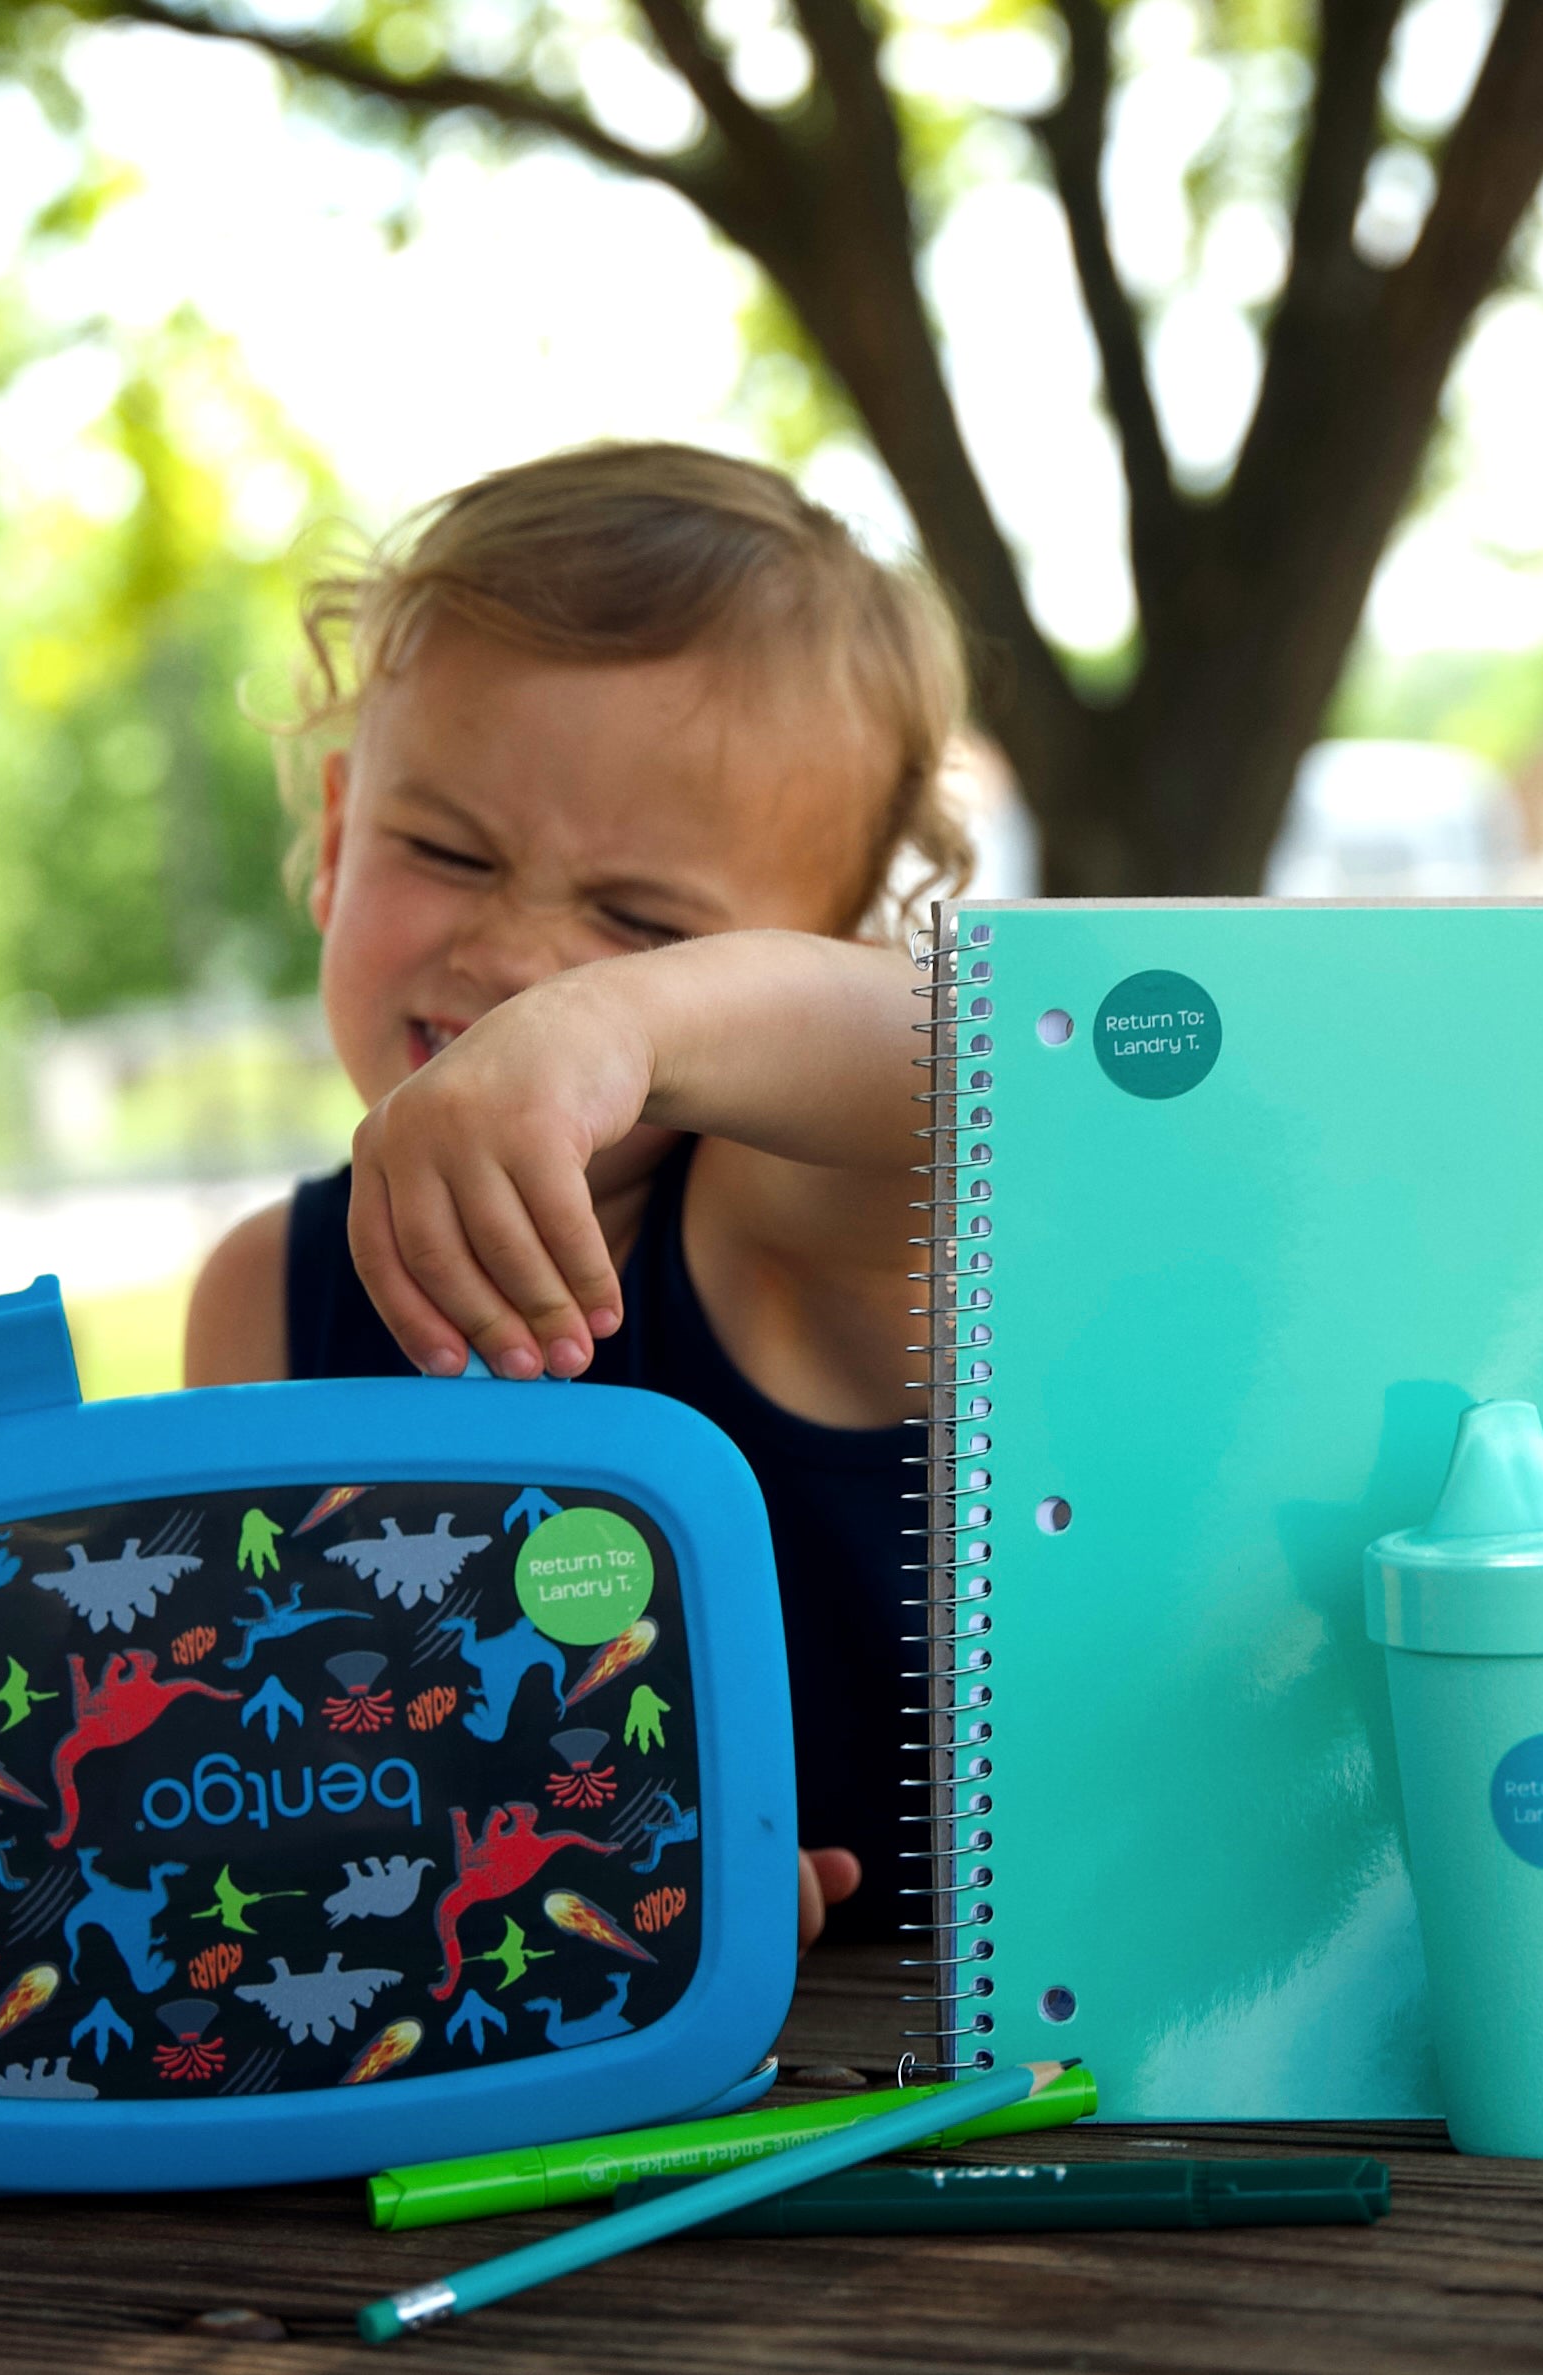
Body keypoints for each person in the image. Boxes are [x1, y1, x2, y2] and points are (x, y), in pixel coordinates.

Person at [184, 443, 971, 1952]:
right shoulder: (266, 1299)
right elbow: (280, 1759)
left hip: (897, 2047)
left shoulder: (781, 1226)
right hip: (494, 2051)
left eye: (640, 922)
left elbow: (980, 1065)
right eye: (446, 849)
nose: (516, 956)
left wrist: (629, 1033)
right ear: (340, 837)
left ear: (803, 956)